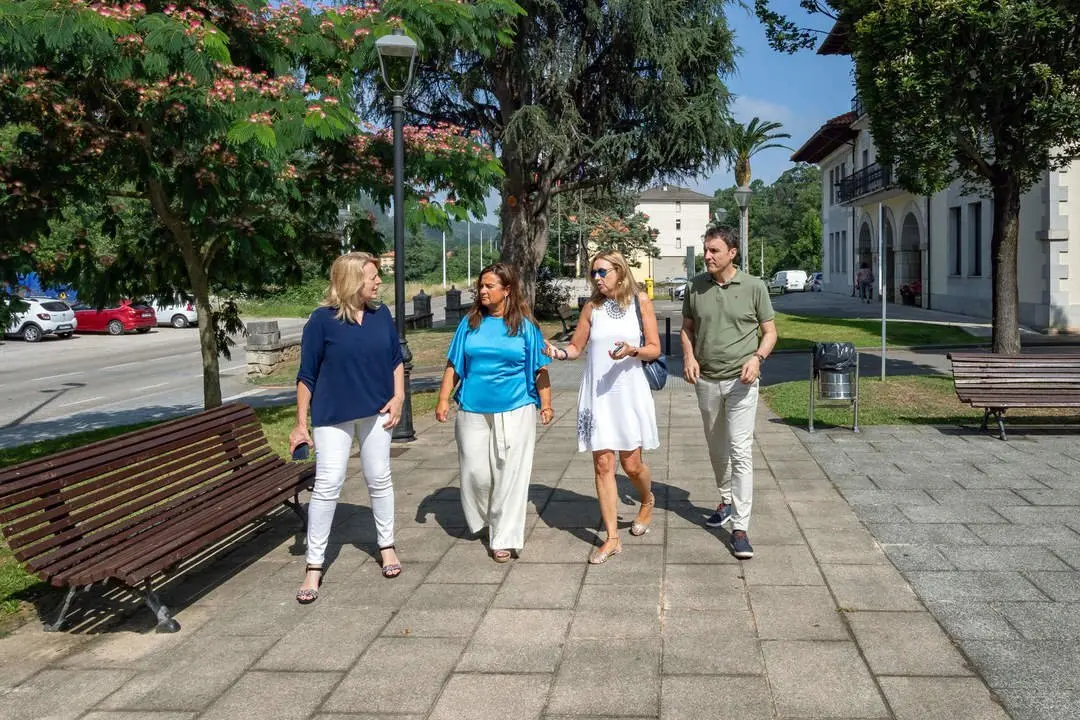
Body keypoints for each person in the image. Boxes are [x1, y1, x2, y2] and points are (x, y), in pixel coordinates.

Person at [290, 252, 405, 604]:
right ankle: (314, 565)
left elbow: (395, 359)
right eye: (373, 276)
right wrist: (300, 422)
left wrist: (399, 397)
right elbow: (306, 376)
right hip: (333, 414)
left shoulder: (380, 314)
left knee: (379, 478)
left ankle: (386, 547)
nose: (379, 282)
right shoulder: (321, 321)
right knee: (327, 485)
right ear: (353, 280)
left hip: (376, 410)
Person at [545, 251, 660, 564]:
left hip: (629, 393)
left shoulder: (640, 302)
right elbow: (576, 347)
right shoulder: (591, 308)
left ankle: (647, 500)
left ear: (620, 272)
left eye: (602, 272)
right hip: (598, 395)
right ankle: (612, 538)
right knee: (603, 465)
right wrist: (558, 353)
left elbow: (654, 349)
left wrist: (632, 349)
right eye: (593, 272)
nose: (596, 278)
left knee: (631, 465)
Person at [435, 263, 553, 563]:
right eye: (481, 286)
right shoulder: (470, 323)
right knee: (476, 473)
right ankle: (487, 518)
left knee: (510, 474)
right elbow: (454, 363)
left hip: (516, 407)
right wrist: (443, 399)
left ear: (507, 290)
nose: (483, 291)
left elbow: (540, 369)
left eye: (489, 286)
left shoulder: (525, 326)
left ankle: (503, 536)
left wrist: (546, 403)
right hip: (473, 408)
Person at [681, 227, 777, 559]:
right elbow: (687, 328)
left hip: (742, 382)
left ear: (731, 253)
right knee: (716, 446)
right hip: (706, 380)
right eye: (706, 250)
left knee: (740, 451)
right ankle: (725, 499)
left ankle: (740, 527)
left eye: (714, 251)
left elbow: (770, 332)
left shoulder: (754, 286)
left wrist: (757, 358)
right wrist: (689, 356)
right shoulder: (695, 286)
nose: (707, 256)